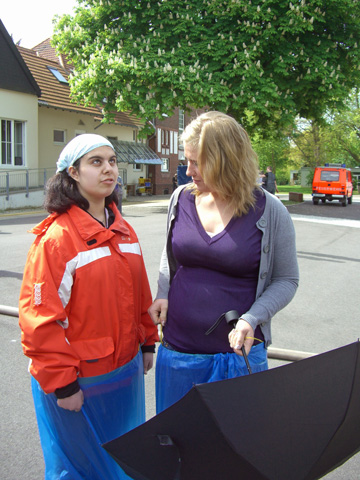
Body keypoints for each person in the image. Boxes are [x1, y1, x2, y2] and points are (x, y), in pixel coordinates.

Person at [19, 134, 158, 480]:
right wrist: (63, 386)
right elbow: (39, 322)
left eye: (112, 161)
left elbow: (140, 295)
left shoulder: (124, 231)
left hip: (122, 375)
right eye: (96, 162)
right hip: (77, 383)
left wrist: (146, 341)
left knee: (120, 463)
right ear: (74, 174)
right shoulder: (56, 240)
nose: (109, 169)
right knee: (78, 470)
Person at [148, 111, 299, 414]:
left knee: (236, 449)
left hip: (237, 357)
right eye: (186, 160)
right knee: (179, 448)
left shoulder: (269, 211)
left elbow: (286, 280)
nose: (188, 170)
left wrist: (252, 318)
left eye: (196, 162)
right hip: (178, 352)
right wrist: (163, 291)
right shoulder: (181, 199)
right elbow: (171, 254)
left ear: (225, 160)